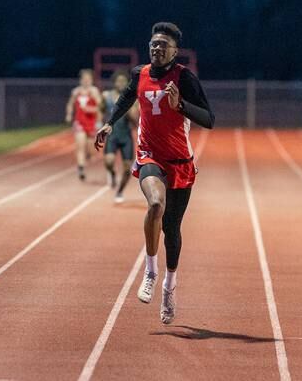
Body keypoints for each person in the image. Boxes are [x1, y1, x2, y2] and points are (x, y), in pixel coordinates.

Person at [95, 22, 214, 324]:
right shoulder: (140, 74)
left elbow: (209, 119)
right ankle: (150, 271)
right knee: (155, 204)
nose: (157, 48)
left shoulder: (185, 78)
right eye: (154, 43)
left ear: (175, 50)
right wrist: (110, 123)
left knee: (172, 231)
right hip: (150, 154)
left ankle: (169, 288)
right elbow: (126, 97)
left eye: (164, 44)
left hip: (180, 161)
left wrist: (181, 104)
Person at [102, 69, 138, 203]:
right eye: (119, 81)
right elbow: (101, 111)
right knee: (109, 162)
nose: (121, 83)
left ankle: (120, 191)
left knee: (128, 168)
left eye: (124, 81)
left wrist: (128, 108)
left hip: (126, 137)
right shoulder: (107, 96)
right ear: (114, 83)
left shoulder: (133, 99)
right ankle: (112, 173)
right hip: (112, 135)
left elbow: (135, 121)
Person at [66, 69, 102, 181]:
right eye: (84, 79)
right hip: (79, 122)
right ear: (81, 80)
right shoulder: (76, 92)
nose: (86, 81)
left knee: (91, 149)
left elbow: (101, 107)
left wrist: (91, 110)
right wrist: (69, 114)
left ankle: (89, 154)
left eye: (88, 79)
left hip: (91, 122)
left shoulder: (94, 91)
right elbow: (70, 104)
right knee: (80, 146)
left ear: (91, 80)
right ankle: (81, 168)